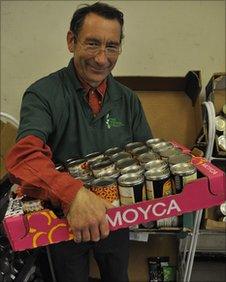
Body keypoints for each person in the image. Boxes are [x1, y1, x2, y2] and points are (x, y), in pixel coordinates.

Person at [6, 2, 152, 282]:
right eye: (93, 44)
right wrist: (73, 195)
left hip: (115, 219)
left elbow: (145, 156)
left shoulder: (128, 100)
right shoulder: (43, 95)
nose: (101, 58)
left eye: (111, 46)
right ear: (71, 41)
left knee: (117, 275)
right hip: (62, 220)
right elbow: (24, 158)